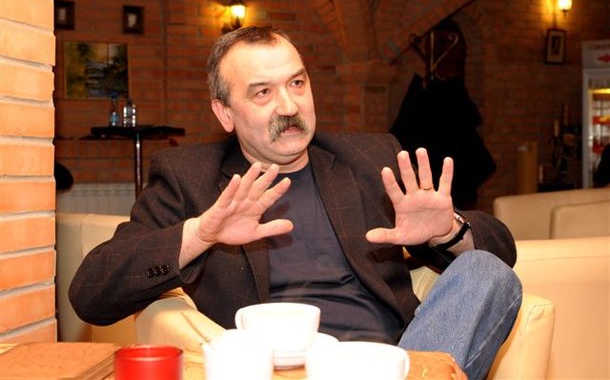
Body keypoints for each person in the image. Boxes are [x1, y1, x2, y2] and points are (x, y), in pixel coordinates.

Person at [70, 26, 521, 380]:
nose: (289, 106)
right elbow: (91, 292)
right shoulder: (190, 177)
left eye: (297, 83)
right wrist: (201, 234)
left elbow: (503, 250)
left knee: (486, 272)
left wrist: (448, 231)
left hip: (391, 360)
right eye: (262, 92)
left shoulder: (368, 158)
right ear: (225, 113)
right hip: (278, 371)